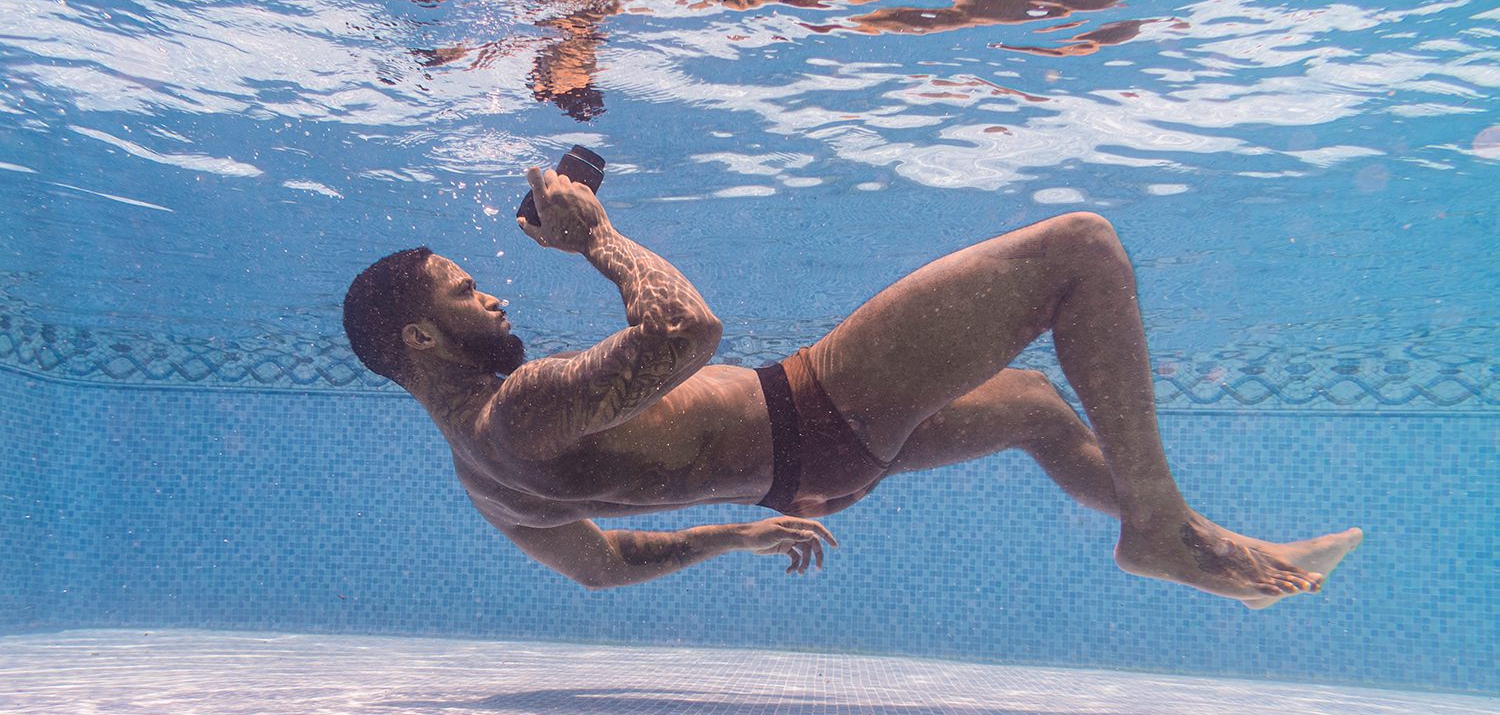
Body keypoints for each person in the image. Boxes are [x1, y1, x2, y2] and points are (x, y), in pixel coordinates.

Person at [342, 166, 1362, 606]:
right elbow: (686, 330)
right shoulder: (517, 408)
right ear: (421, 335)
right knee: (1080, 250)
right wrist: (598, 236)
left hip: (803, 477)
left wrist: (735, 535)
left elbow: (601, 569)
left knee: (1040, 410)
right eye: (468, 293)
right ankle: (1161, 523)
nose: (495, 299)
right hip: (819, 405)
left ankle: (1199, 539)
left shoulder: (483, 477)